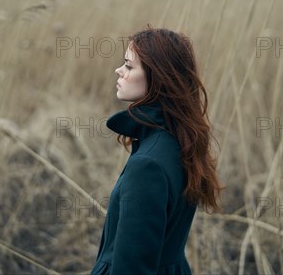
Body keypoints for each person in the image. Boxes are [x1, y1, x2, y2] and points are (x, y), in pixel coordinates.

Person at [90, 26, 224, 275]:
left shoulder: (148, 165)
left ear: (158, 78)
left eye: (129, 66)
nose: (119, 70)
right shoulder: (181, 140)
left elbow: (133, 268)